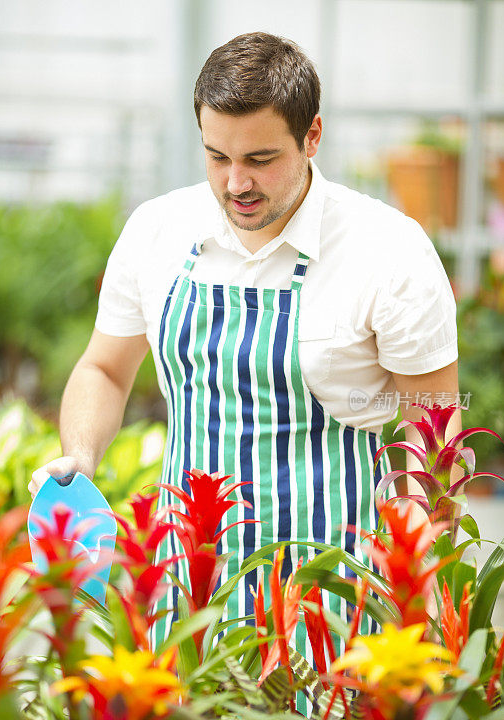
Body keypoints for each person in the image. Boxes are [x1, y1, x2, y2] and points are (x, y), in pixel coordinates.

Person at [29, 32, 460, 660]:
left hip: (336, 588)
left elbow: (435, 423)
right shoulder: (158, 230)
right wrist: (81, 456)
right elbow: (104, 368)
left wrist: (420, 543)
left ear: (313, 136)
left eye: (260, 159)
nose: (236, 184)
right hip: (192, 577)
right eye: (216, 157)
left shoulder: (387, 249)